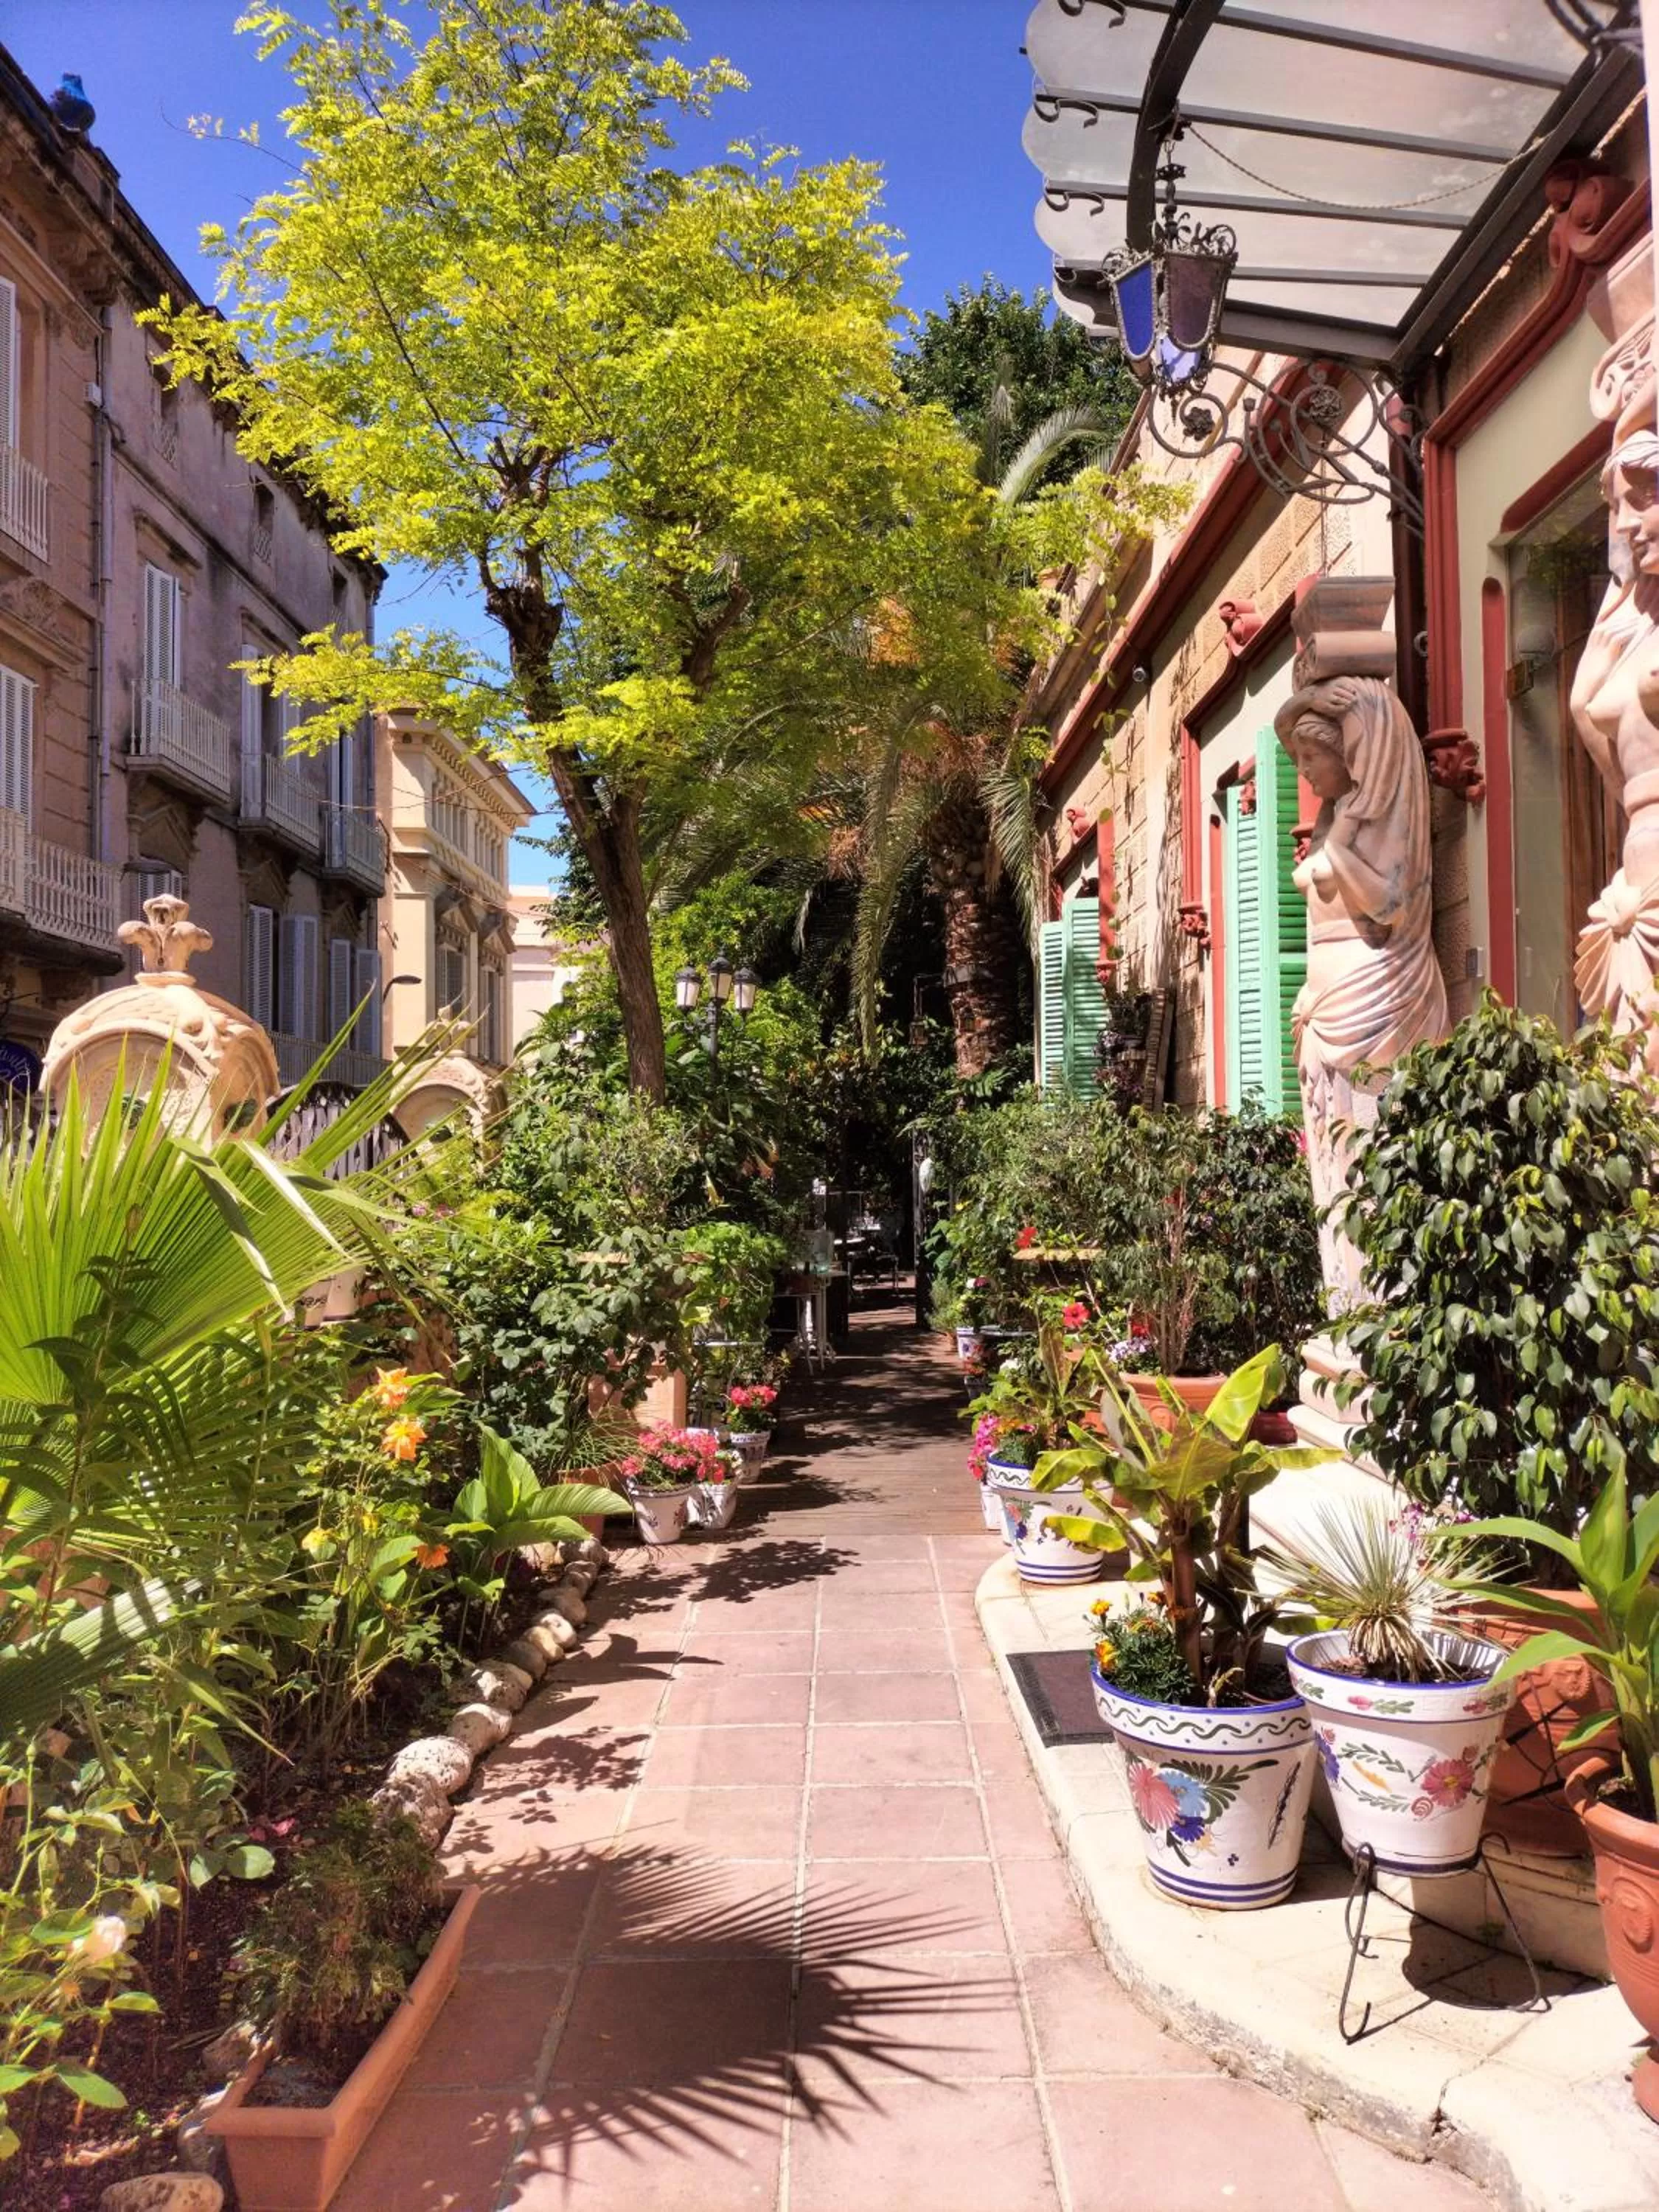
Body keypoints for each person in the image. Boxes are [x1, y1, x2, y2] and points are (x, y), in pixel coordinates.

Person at [1273, 673, 1447, 1308]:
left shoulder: (1370, 821)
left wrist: (1341, 850)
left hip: (1373, 1001)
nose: (1307, 774)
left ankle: (1379, 1312)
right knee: (1332, 1167)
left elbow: (1388, 904)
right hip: (1326, 1007)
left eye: (1312, 757)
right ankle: (1347, 1306)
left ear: (1349, 754)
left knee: (1369, 1157)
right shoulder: (1334, 819)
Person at [1569, 398, 1659, 1065]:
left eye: (1644, 497)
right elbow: (1581, 705)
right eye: (1617, 508)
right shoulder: (1634, 621)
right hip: (1634, 872)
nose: (1625, 523)